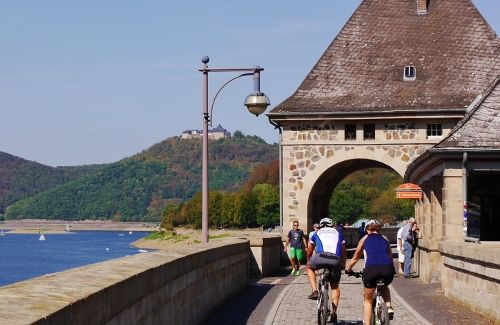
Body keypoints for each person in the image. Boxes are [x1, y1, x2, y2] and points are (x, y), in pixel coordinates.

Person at [346, 219, 395, 324]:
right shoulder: (385, 238)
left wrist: (348, 269)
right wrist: (392, 270)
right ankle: (389, 306)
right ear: (379, 229)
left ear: (366, 230)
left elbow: (355, 258)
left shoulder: (364, 239)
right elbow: (390, 257)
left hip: (371, 269)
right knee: (384, 286)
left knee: (368, 300)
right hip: (387, 269)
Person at [307, 217, 346, 324]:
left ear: (320, 225)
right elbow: (343, 250)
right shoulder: (338, 233)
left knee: (309, 267)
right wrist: (343, 264)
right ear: (332, 225)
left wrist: (308, 259)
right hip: (335, 259)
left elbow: (310, 248)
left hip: (320, 257)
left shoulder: (317, 233)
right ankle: (334, 313)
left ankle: (315, 291)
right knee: (335, 286)